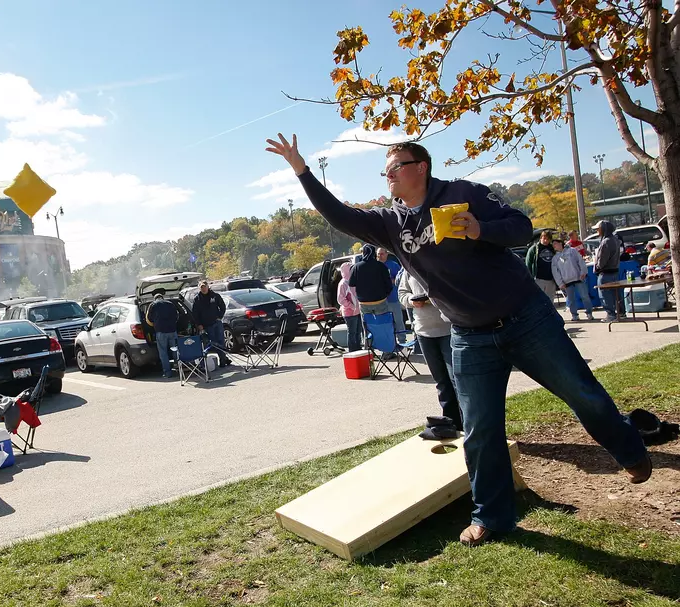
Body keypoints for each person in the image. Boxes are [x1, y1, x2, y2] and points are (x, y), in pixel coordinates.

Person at [265, 133, 652, 546]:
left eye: (395, 167)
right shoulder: (390, 223)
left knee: (581, 392)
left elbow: (521, 228)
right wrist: (302, 171)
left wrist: (480, 228)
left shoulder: (463, 194)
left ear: (421, 167)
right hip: (467, 334)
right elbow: (338, 215)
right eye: (386, 171)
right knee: (479, 429)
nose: (389, 176)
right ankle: (493, 517)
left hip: (525, 317)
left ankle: (629, 450)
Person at [398, 271, 462, 430]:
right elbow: (402, 293)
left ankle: (470, 424)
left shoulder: (436, 262)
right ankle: (451, 425)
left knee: (457, 380)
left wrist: (434, 296)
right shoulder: (408, 266)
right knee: (441, 382)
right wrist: (412, 301)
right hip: (424, 332)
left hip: (447, 329)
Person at [551, 238, 595, 322]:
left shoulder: (572, 251)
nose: (554, 246)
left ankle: (589, 313)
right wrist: (560, 283)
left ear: (561, 243)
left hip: (578, 278)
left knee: (584, 296)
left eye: (556, 243)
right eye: (553, 245)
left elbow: (580, 261)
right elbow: (555, 272)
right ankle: (574, 315)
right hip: (566, 281)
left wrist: (583, 272)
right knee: (571, 299)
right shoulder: (555, 258)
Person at [191, 281, 230, 366]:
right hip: (207, 325)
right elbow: (195, 314)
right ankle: (216, 360)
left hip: (217, 323)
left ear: (208, 286)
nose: (203, 288)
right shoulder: (197, 299)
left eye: (205, 286)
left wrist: (220, 316)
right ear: (199, 288)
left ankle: (223, 360)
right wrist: (199, 324)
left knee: (221, 341)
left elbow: (222, 306)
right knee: (213, 343)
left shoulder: (215, 296)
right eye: (201, 287)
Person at [349, 244, 394, 318]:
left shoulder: (356, 267)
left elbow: (351, 284)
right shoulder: (381, 266)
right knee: (383, 323)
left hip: (364, 302)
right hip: (380, 301)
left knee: (367, 326)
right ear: (374, 253)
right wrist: (386, 294)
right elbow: (389, 284)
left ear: (363, 253)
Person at [594, 220, 626, 322]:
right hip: (615, 272)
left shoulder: (606, 242)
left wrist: (597, 267)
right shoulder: (615, 239)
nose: (597, 231)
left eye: (598, 229)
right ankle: (621, 313)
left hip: (605, 273)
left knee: (605, 296)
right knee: (616, 294)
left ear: (603, 229)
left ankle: (611, 315)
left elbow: (602, 260)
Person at [146, 288, 179, 378]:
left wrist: (155, 324)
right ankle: (179, 368)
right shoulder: (170, 304)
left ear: (155, 298)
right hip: (172, 331)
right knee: (176, 350)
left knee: (163, 352)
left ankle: (167, 373)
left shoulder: (152, 305)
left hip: (161, 332)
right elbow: (177, 316)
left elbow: (149, 318)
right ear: (162, 297)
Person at [377, 248, 407, 342]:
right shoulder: (375, 266)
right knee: (386, 323)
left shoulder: (393, 265)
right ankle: (390, 342)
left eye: (382, 254)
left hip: (393, 298)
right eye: (378, 254)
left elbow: (401, 279)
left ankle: (402, 340)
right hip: (381, 300)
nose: (380, 256)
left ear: (386, 254)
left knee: (398, 321)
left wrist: (389, 281)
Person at [336, 261, 362, 352]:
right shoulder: (343, 283)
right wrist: (351, 306)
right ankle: (352, 351)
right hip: (349, 313)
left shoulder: (354, 280)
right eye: (351, 269)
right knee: (352, 332)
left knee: (358, 332)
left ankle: (359, 349)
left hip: (358, 311)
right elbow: (340, 299)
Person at [525, 231, 557, 302]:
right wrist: (530, 279)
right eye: (544, 238)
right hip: (538, 279)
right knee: (539, 301)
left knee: (550, 301)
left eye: (548, 239)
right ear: (541, 238)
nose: (546, 241)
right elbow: (528, 264)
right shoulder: (534, 249)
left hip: (551, 279)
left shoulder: (552, 249)